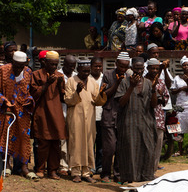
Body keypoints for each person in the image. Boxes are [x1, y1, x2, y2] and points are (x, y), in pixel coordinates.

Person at [0, 51, 35, 179]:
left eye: (21, 66)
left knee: (23, 137)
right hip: (6, 109)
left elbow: (30, 91)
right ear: (12, 62)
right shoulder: (2, 71)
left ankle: (23, 167)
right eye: (16, 66)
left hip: (22, 111)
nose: (18, 69)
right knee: (5, 136)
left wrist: (29, 101)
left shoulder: (28, 72)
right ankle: (6, 166)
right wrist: (3, 101)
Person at [115, 57, 157, 183]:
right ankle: (130, 180)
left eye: (141, 69)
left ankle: (146, 178)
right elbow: (121, 103)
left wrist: (154, 90)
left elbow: (154, 105)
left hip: (146, 122)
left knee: (148, 150)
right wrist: (131, 87)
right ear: (132, 68)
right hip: (129, 122)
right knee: (130, 151)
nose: (139, 71)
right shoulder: (124, 82)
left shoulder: (149, 83)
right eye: (136, 68)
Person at [63, 59, 105, 183]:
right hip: (76, 117)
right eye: (84, 71)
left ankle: (86, 172)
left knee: (89, 143)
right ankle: (76, 172)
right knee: (76, 143)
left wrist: (102, 93)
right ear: (78, 70)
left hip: (90, 118)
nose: (86, 73)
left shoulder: (93, 82)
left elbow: (98, 101)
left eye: (88, 71)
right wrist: (77, 92)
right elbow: (68, 100)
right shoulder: (71, 81)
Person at [30, 51, 66, 179]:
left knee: (55, 143)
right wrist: (47, 84)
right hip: (42, 112)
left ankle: (53, 170)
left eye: (56, 64)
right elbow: (34, 94)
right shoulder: (36, 75)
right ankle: (40, 168)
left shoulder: (59, 75)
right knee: (43, 142)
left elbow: (63, 97)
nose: (54, 67)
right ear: (45, 63)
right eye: (52, 64)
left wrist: (61, 84)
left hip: (56, 113)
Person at [100, 52, 130, 182]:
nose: (123, 69)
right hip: (109, 113)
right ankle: (105, 173)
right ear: (116, 63)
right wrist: (117, 84)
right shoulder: (107, 75)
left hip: (123, 115)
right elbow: (104, 94)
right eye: (121, 66)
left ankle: (118, 173)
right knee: (109, 147)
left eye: (126, 66)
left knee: (120, 147)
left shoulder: (129, 76)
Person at [170, 56, 188, 158]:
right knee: (178, 128)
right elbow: (173, 91)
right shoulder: (177, 78)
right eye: (184, 65)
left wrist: (187, 82)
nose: (186, 67)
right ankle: (179, 150)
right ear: (182, 66)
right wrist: (182, 88)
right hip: (179, 105)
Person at [146, 58, 169, 173]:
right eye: (152, 68)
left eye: (156, 68)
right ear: (148, 68)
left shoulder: (161, 82)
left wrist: (159, 95)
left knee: (157, 145)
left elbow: (166, 97)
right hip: (145, 117)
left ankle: (153, 171)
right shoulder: (142, 81)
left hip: (159, 117)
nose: (154, 70)